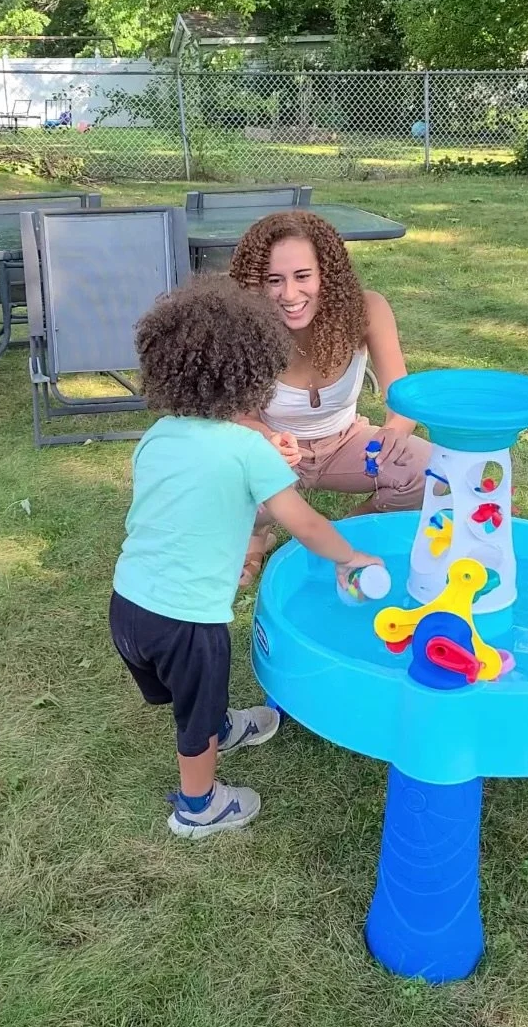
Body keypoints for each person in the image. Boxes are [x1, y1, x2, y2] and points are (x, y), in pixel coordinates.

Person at [110, 280, 382, 840]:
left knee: (191, 695)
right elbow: (300, 520)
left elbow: (177, 508)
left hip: (128, 607)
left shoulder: (159, 435)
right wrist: (347, 556)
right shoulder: (248, 448)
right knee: (193, 715)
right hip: (187, 621)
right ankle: (199, 806)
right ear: (254, 373)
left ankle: (223, 723)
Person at [228, 210, 431, 585]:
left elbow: (400, 396)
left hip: (346, 441)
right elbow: (241, 416)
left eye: (302, 276)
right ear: (255, 283)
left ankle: (338, 536)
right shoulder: (244, 327)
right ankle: (258, 534)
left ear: (327, 274)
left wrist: (396, 429)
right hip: (277, 451)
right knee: (225, 491)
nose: (290, 295)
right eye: (274, 280)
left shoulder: (368, 310)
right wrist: (268, 439)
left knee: (427, 470)